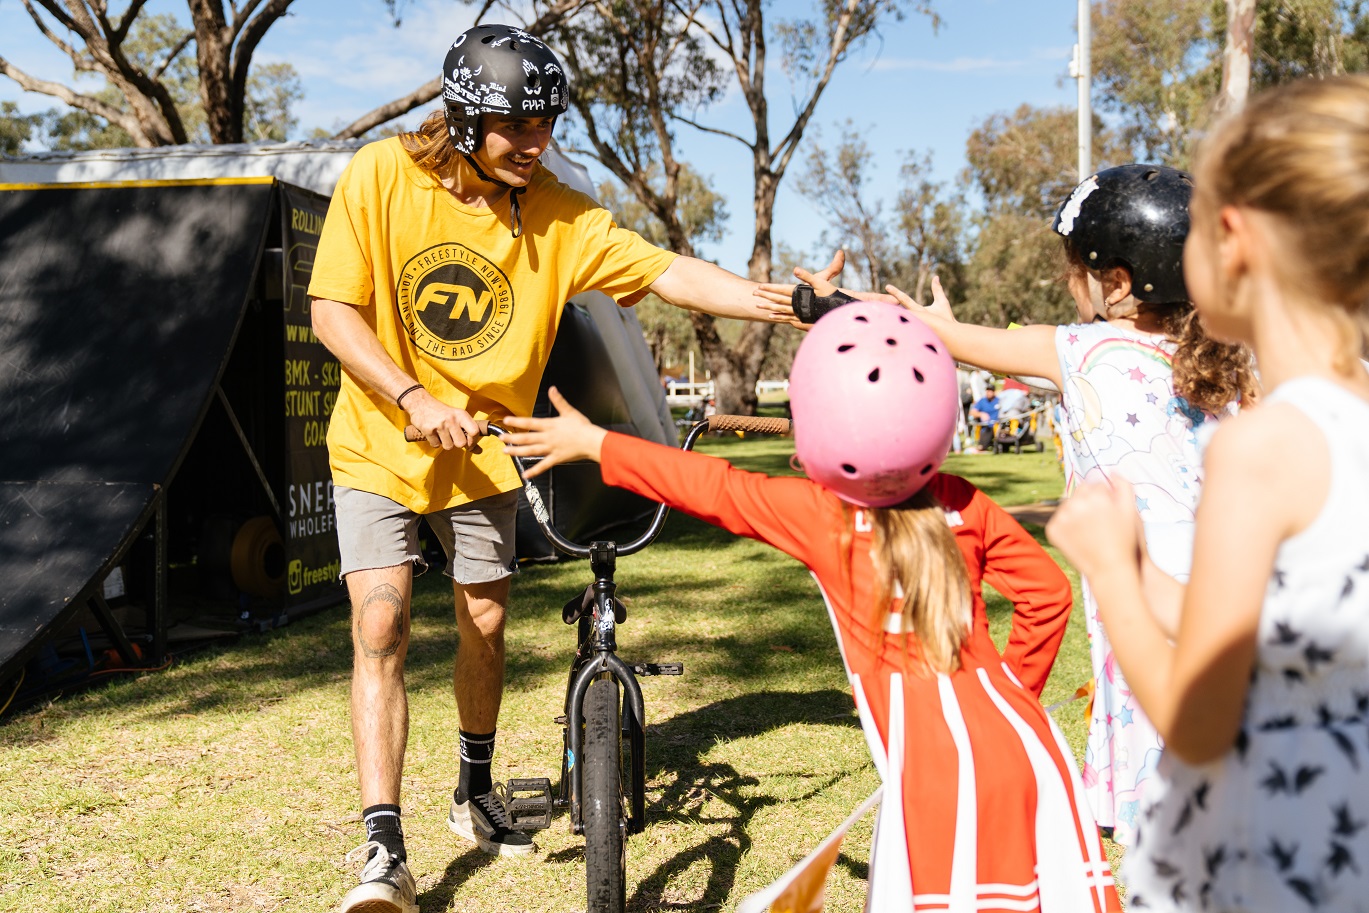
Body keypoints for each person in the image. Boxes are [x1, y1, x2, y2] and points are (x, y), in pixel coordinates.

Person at [308, 23, 793, 913]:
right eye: (514, 127)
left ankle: (474, 788)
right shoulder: (382, 176)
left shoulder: (560, 216)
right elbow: (335, 313)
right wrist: (414, 398)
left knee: (483, 624)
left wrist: (785, 302)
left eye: (545, 124)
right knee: (380, 626)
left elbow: (671, 270)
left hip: (486, 450)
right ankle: (383, 848)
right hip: (381, 439)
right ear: (462, 119)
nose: (534, 143)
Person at [502, 301, 1118, 912]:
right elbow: (1049, 594)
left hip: (935, 773)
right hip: (1033, 749)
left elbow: (711, 487)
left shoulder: (827, 515)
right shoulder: (963, 500)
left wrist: (596, 441)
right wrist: (1010, 697)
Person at [758, 163, 1257, 847]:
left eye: (1072, 269)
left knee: (1165, 820)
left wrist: (832, 304)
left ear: (1115, 283)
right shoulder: (1225, 360)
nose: (1065, 281)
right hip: (1230, 596)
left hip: (1142, 595)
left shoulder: (1074, 350)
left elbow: (926, 336)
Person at [1046, 75, 1369, 912]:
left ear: (1230, 238)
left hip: (1270, 859)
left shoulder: (1258, 446)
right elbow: (1286, 621)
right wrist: (1150, 575)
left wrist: (1111, 578)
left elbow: (1195, 726)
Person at [968, 384, 1001, 451]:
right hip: (985, 426)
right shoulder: (982, 401)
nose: (989, 393)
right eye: (987, 391)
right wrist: (981, 414)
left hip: (997, 425)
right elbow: (972, 412)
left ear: (994, 392)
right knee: (987, 429)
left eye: (990, 391)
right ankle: (981, 446)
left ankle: (982, 447)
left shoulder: (999, 401)